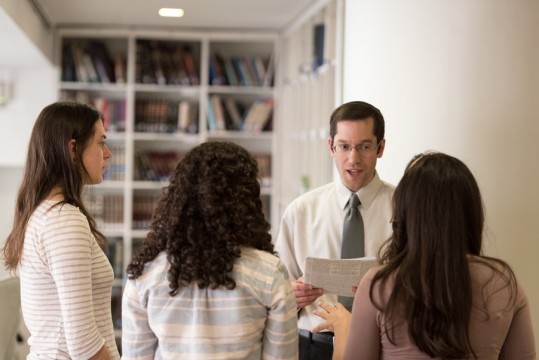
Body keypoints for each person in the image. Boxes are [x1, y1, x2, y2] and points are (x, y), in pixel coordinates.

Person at [313, 152, 536, 359]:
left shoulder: (378, 285)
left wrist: (344, 326)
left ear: (406, 214)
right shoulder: (504, 284)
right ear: (471, 213)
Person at [121, 141, 298, 359]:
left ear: (178, 198)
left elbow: (135, 356)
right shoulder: (269, 273)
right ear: (247, 201)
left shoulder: (145, 275)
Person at [275, 101, 395, 359]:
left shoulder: (405, 209)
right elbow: (274, 295)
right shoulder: (300, 211)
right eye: (344, 147)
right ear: (331, 147)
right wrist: (289, 296)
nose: (353, 159)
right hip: (313, 345)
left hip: (383, 345)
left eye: (364, 147)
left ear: (380, 148)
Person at [2, 101, 119, 360]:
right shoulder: (64, 221)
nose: (108, 153)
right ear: (73, 149)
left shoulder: (45, 212)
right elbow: (83, 344)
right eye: (101, 142)